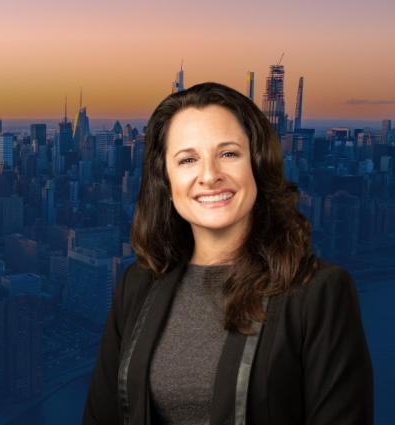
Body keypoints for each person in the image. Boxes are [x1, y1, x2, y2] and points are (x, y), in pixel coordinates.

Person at [82, 82, 373, 425]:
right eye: (188, 159)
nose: (209, 176)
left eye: (229, 153)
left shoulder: (320, 292)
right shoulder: (138, 284)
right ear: (167, 181)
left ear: (258, 164)